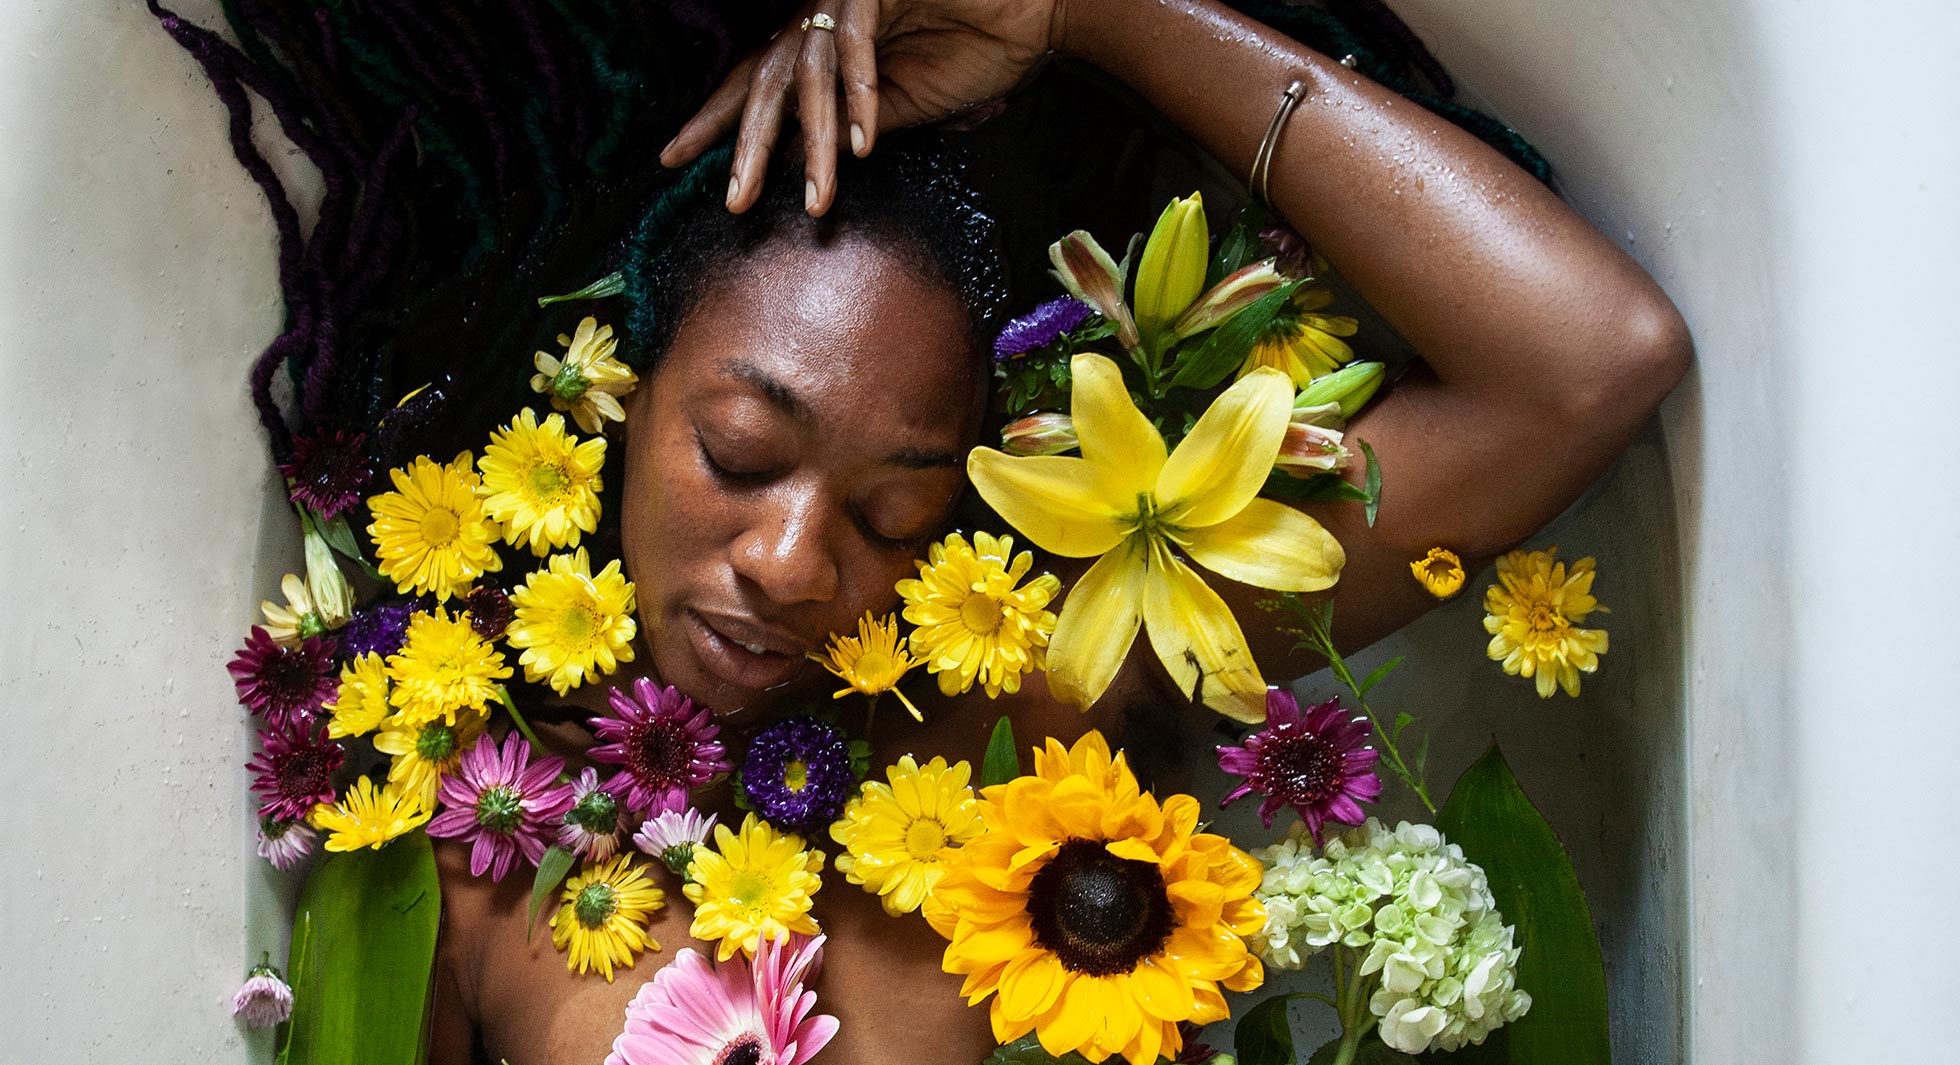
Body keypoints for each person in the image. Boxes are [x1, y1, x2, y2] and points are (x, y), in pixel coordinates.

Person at [424, 1, 1691, 1062]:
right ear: (616, 400)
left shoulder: (1063, 675)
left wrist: (1096, 15)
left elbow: (1583, 363)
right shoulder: (469, 831)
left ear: (976, 497)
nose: (790, 562)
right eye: (739, 456)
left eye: (892, 510)